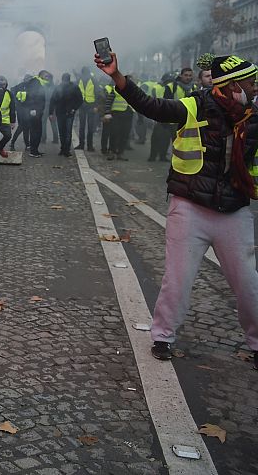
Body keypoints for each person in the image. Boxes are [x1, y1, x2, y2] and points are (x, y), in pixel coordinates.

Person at [96, 51, 258, 367]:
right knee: (177, 279)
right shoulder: (196, 104)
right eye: (250, 83)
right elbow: (151, 107)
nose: (254, 88)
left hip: (234, 211)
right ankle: (163, 336)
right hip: (190, 207)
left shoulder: (253, 117)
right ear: (231, 86)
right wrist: (118, 76)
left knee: (248, 282)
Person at [49, 73, 83, 157]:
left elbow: (80, 100)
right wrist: (50, 113)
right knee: (62, 132)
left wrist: (74, 108)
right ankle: (63, 148)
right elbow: (52, 100)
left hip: (69, 113)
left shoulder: (74, 87)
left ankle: (66, 150)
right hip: (60, 113)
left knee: (67, 132)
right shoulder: (58, 88)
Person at [103, 77, 134, 161]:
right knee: (114, 134)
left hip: (128, 115)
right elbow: (109, 101)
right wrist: (107, 113)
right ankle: (112, 152)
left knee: (124, 135)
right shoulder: (116, 89)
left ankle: (120, 153)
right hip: (117, 115)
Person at [0, 76, 16, 158]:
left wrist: (13, 121)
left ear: (6, 84)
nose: (2, 85)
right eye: (0, 82)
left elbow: (12, 108)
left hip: (5, 121)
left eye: (4, 83)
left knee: (8, 136)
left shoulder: (9, 94)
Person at [76, 66, 97, 151]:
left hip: (83, 105)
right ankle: (89, 146)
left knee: (82, 126)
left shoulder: (79, 80)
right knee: (90, 126)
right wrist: (96, 105)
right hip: (90, 105)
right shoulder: (93, 80)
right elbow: (98, 92)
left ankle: (81, 145)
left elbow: (75, 92)